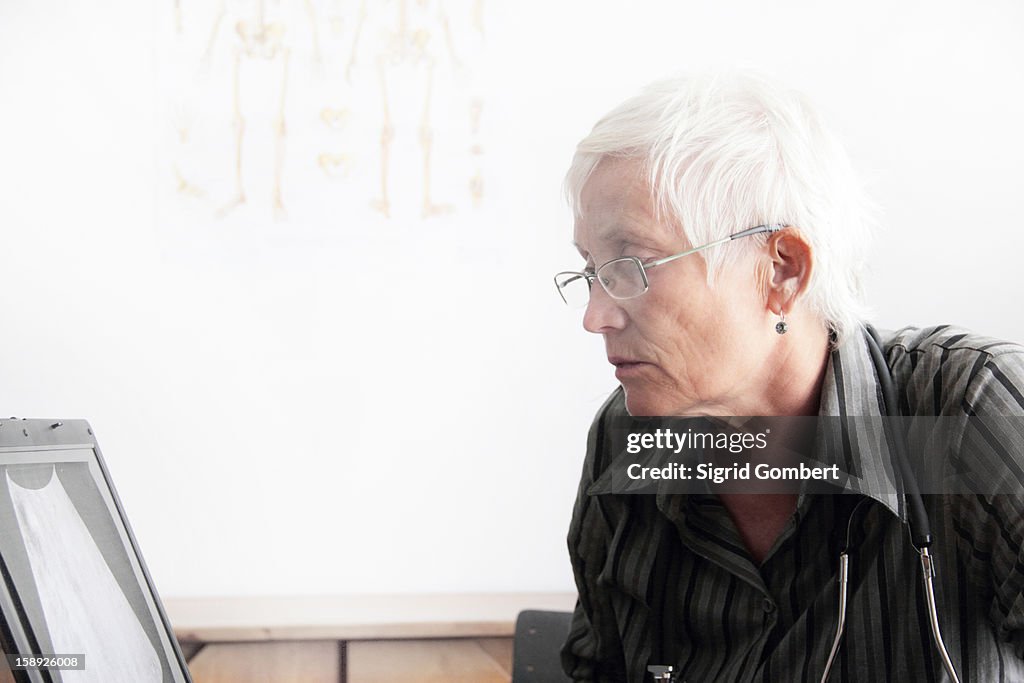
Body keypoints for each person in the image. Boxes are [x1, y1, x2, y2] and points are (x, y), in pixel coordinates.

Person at [554, 71, 1024, 682]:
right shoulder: (627, 446)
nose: (595, 316)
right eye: (591, 270)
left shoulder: (962, 414)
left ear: (781, 270)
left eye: (634, 264)